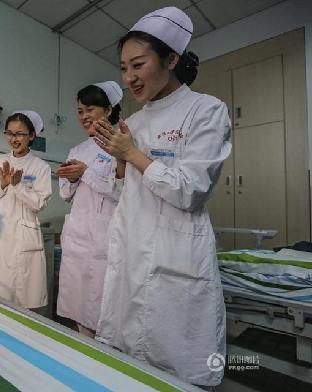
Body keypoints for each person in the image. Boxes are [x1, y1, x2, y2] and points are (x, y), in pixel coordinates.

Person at [93, 7, 231, 387]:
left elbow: (191, 190)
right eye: (123, 68)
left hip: (176, 257)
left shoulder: (206, 110)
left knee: (179, 368)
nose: (129, 78)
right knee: (127, 365)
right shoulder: (133, 123)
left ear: (171, 60)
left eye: (138, 65)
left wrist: (132, 155)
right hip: (132, 250)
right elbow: (130, 194)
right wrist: (121, 166)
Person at [55, 81, 123, 338]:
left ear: (108, 109)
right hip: (78, 235)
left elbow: (122, 191)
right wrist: (72, 179)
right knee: (77, 305)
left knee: (101, 307)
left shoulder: (120, 145)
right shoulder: (77, 149)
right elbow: (65, 194)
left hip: (106, 236)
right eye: (80, 111)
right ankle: (84, 353)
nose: (83, 116)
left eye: (90, 109)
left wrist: (85, 173)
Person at [0, 111, 52, 309]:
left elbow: (39, 203)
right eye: (9, 133)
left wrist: (18, 186)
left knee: (19, 298)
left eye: (20, 134)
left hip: (22, 236)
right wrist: (3, 185)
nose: (13, 139)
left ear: (31, 136)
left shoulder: (40, 167)